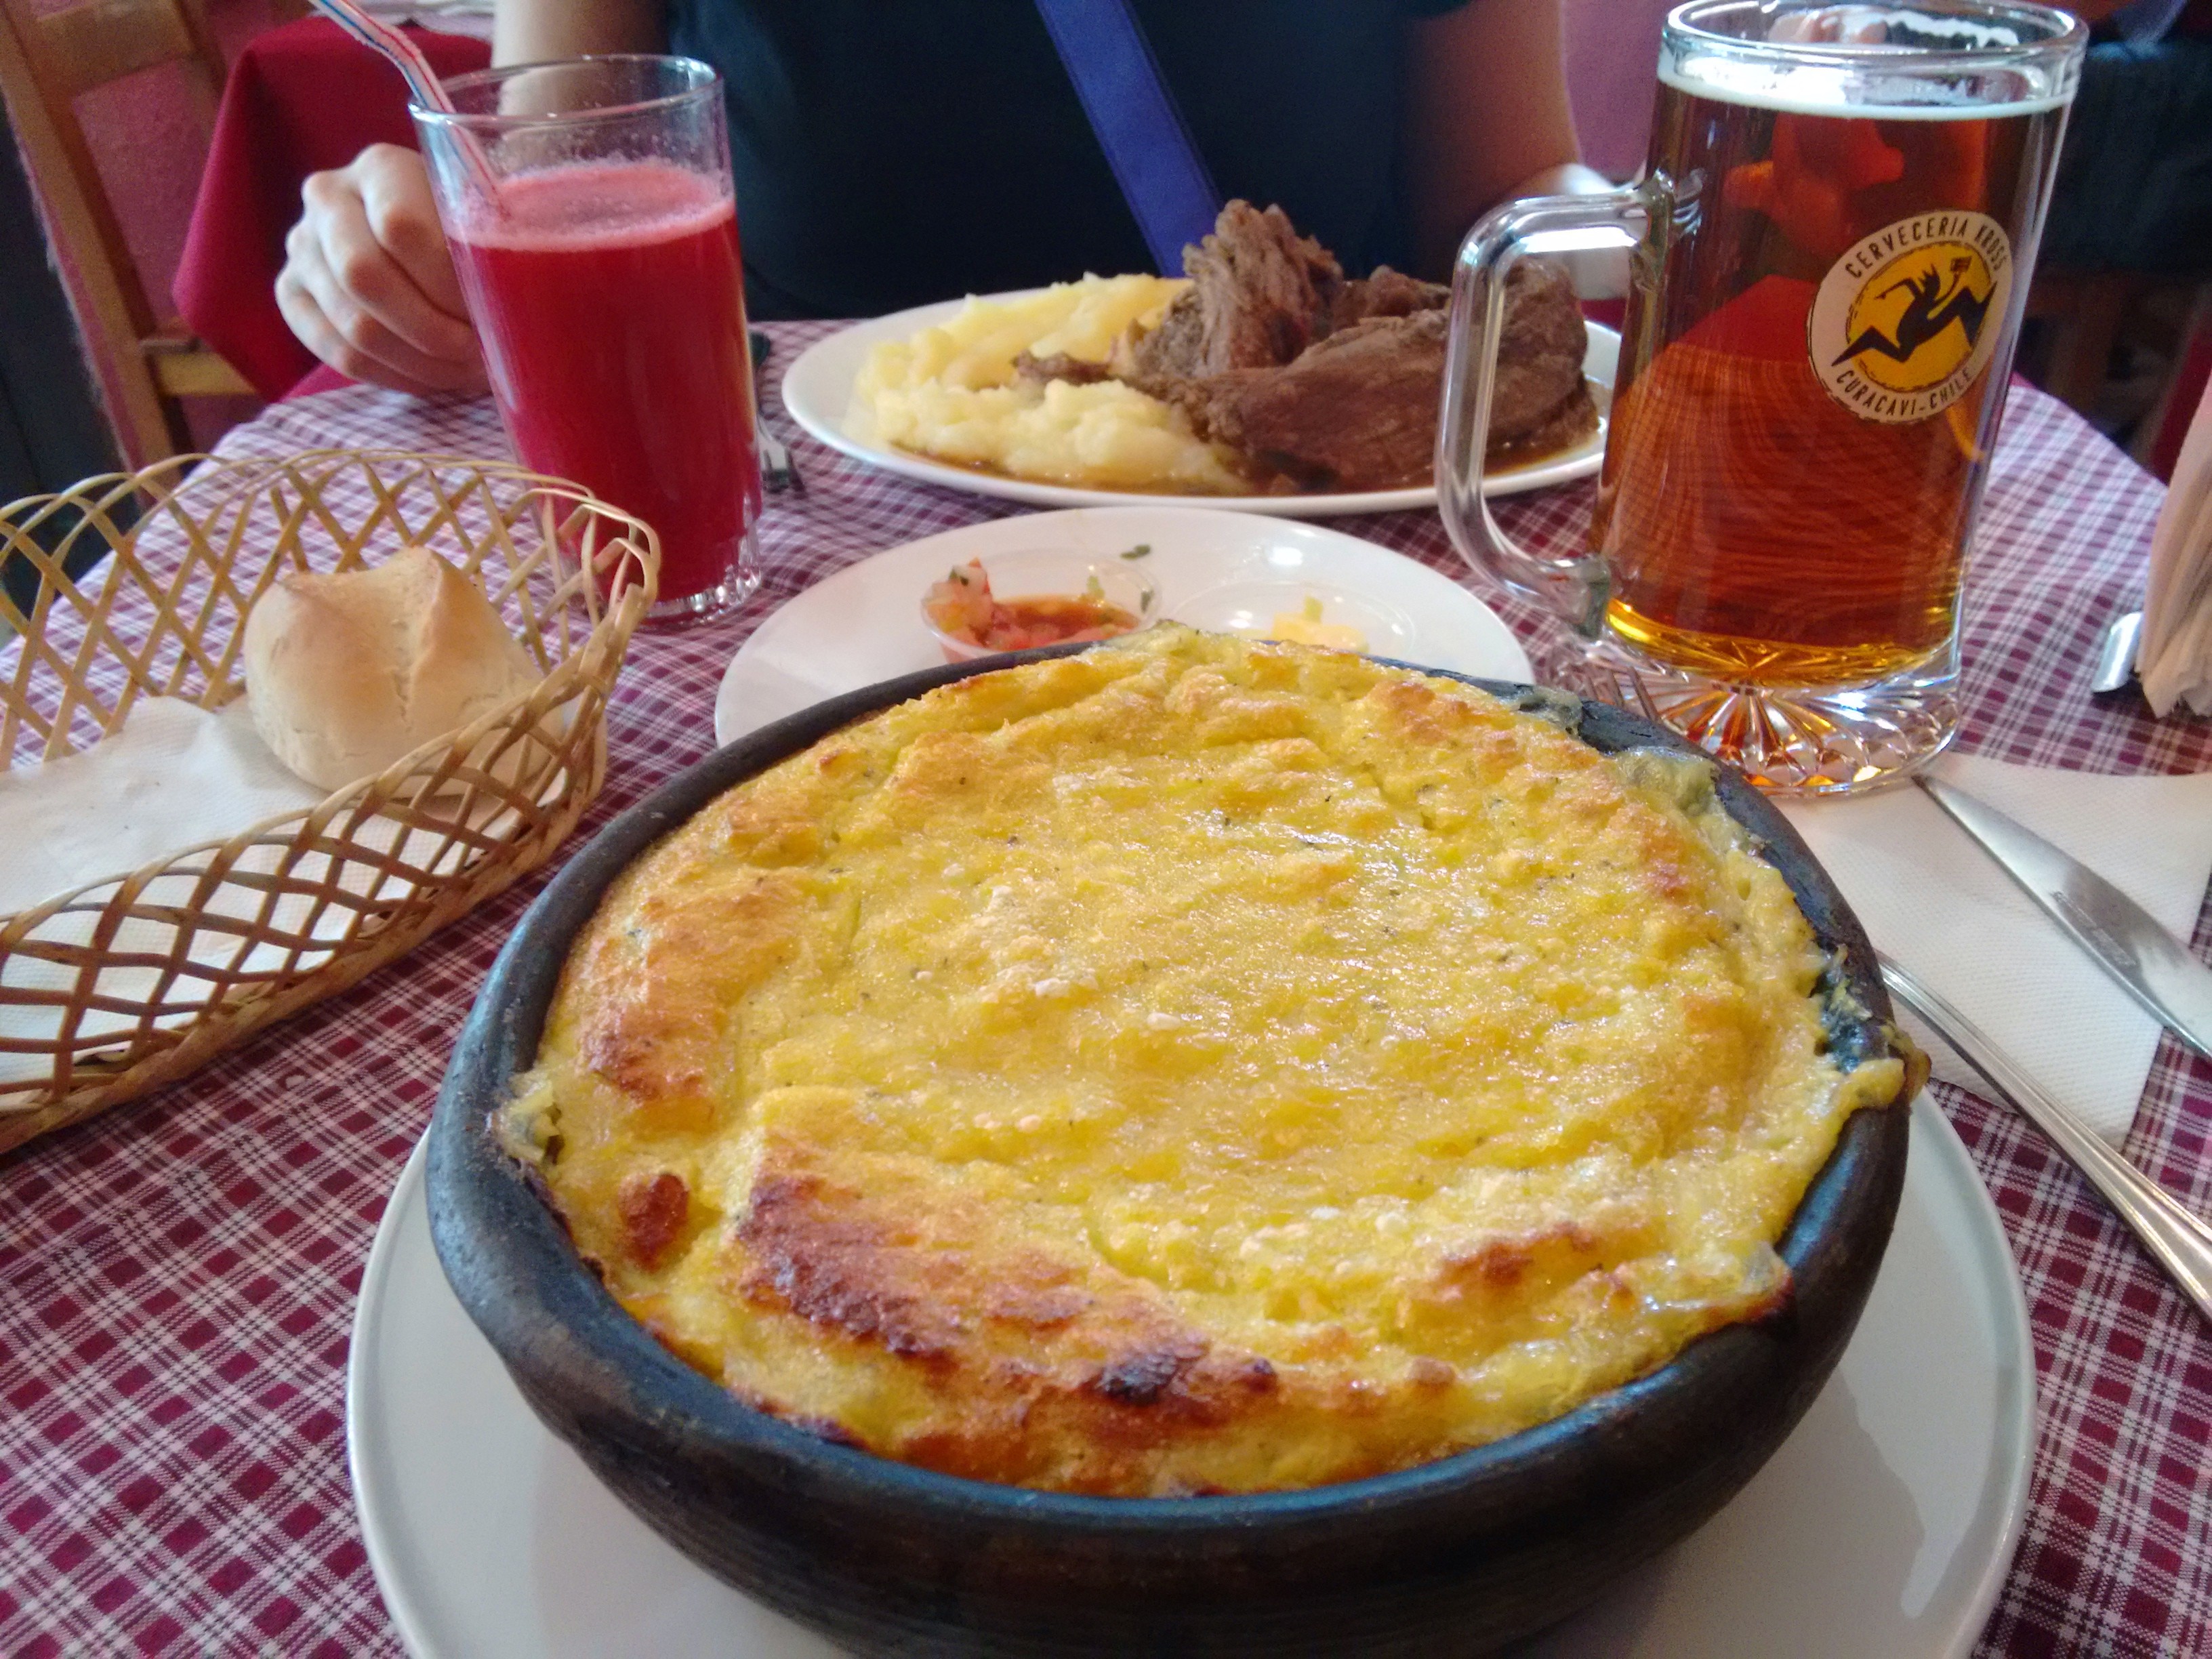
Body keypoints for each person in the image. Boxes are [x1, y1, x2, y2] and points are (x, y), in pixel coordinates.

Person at [275, 0, 1602, 396]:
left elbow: (1508, 197)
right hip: (797, 531)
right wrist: (412, 257)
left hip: (1318, 493)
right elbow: (546, 190)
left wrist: (1654, 241)